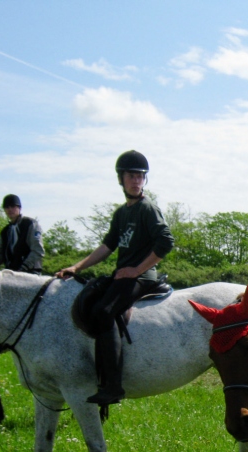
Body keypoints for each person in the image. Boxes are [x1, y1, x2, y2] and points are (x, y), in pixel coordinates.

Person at [55, 150, 174, 405]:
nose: (136, 181)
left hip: (142, 277)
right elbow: (107, 246)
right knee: (90, 299)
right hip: (123, 276)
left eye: (140, 176)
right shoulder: (121, 213)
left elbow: (166, 242)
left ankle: (113, 385)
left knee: (104, 311)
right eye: (131, 176)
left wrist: (136, 270)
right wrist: (77, 267)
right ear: (121, 179)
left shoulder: (147, 209)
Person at [0, 194, 44, 273]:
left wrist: (23, 267)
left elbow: (38, 250)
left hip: (30, 272)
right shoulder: (5, 231)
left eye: (13, 206)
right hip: (11, 272)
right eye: (7, 207)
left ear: (19, 208)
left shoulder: (30, 224)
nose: (10, 209)